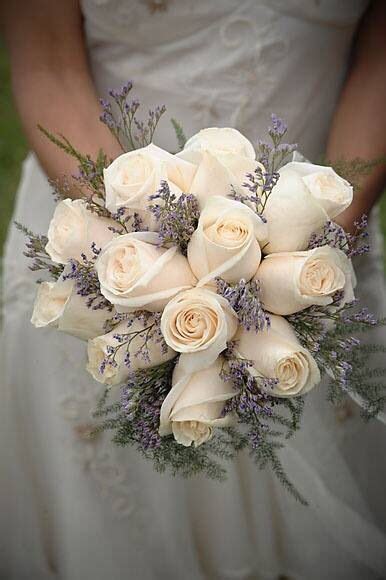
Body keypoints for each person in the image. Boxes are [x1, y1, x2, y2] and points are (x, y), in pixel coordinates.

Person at [1, 1, 386, 579]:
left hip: (315, 252)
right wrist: (145, 268)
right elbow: (49, 65)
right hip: (102, 244)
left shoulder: (316, 254)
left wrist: (307, 250)